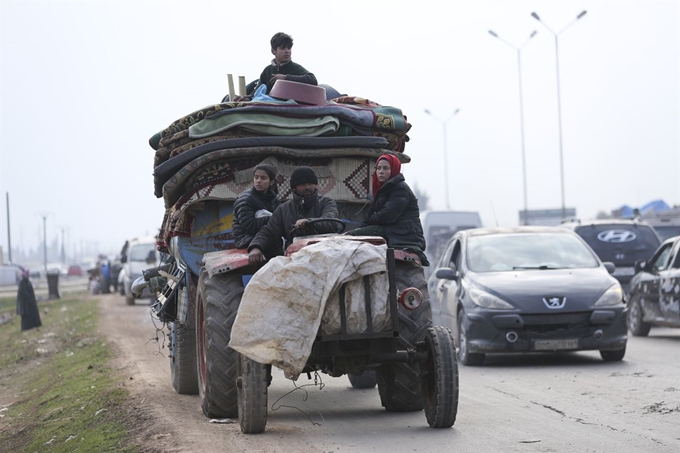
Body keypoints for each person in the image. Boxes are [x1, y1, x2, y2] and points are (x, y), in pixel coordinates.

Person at [248, 166, 341, 265]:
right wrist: (256, 247)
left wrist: (308, 222)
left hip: (325, 255)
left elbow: (331, 221)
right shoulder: (284, 209)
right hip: (295, 259)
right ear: (294, 188)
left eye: (310, 183)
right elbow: (269, 231)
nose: (307, 187)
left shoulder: (327, 203)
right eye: (302, 184)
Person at [348, 154, 428, 263]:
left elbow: (387, 216)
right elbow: (371, 213)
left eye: (385, 168)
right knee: (353, 235)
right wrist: (364, 225)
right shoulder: (382, 190)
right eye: (379, 168)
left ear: (394, 169)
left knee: (352, 237)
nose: (381, 171)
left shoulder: (400, 189)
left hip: (402, 234)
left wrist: (370, 221)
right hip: (391, 231)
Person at [228, 32, 317, 102]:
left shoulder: (295, 68)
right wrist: (244, 98)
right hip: (269, 108)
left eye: (289, 48)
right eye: (283, 48)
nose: (287, 51)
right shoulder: (267, 71)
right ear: (273, 51)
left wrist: (286, 78)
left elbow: (312, 79)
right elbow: (256, 94)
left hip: (289, 107)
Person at [232, 164, 282, 257]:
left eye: (263, 178)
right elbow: (250, 226)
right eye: (256, 177)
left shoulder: (273, 199)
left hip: (266, 238)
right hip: (247, 240)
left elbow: (282, 217)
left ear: (271, 182)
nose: (258, 181)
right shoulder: (246, 199)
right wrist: (272, 219)